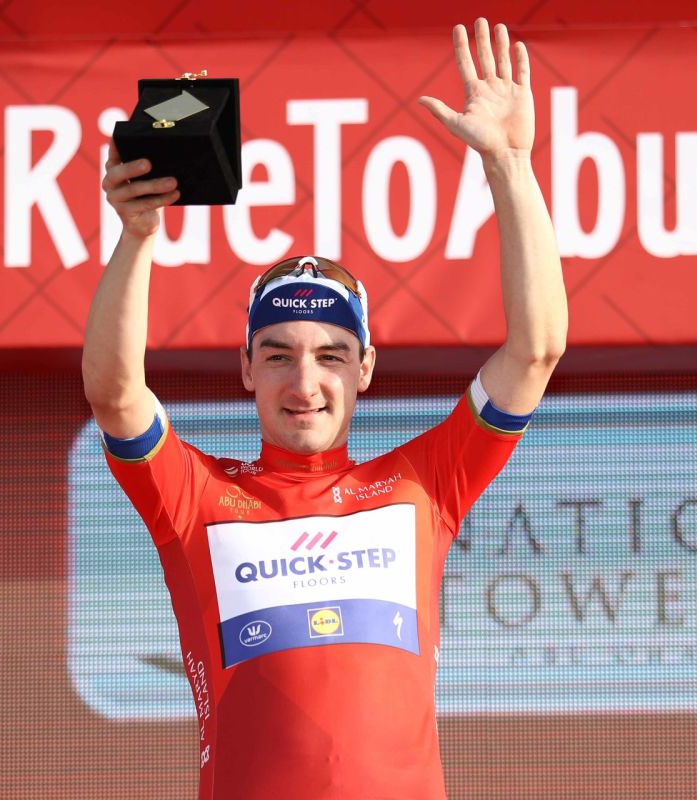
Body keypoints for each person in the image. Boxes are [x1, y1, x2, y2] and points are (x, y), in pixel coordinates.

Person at [83, 17, 567, 800]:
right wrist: (137, 236)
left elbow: (536, 352)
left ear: (365, 367)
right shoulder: (197, 497)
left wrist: (510, 165)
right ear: (246, 366)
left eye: (331, 356)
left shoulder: (423, 484)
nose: (304, 382)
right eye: (278, 354)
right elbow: (114, 394)